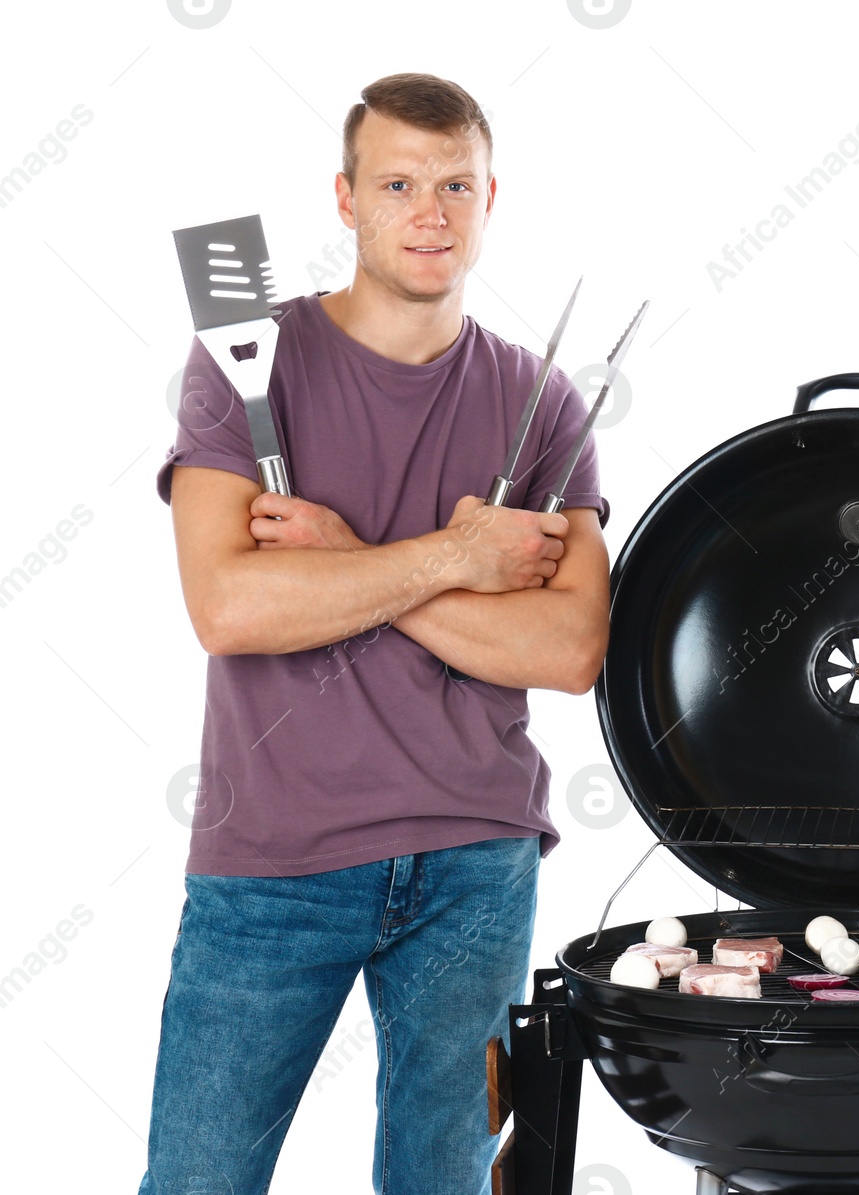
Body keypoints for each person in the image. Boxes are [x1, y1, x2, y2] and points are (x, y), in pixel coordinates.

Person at [138, 72, 612, 1195]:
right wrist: (458, 558)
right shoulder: (247, 362)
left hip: (474, 859)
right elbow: (231, 607)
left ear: (494, 197)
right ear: (345, 199)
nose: (431, 212)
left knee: (441, 1181)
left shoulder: (541, 403)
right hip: (272, 862)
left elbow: (570, 649)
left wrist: (345, 562)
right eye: (398, 183)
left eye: (456, 185)